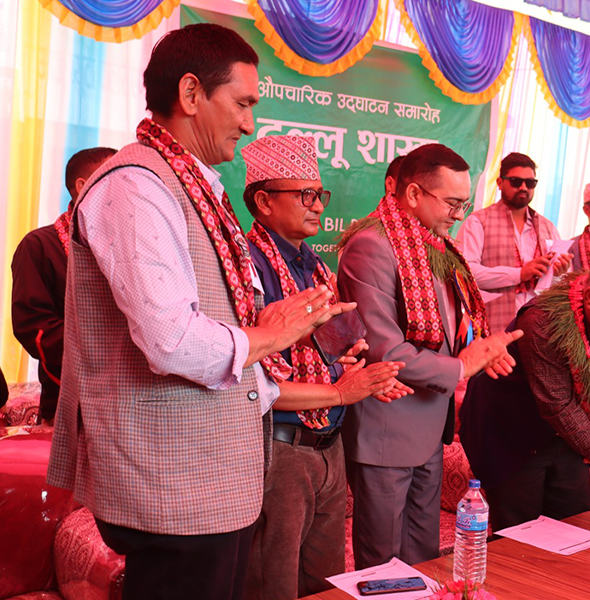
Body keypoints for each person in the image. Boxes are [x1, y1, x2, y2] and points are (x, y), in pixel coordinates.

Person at [46, 24, 353, 600]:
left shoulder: (189, 183)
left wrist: (290, 342)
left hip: (210, 477)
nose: (249, 123)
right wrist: (268, 334)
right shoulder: (135, 185)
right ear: (191, 94)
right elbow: (171, 340)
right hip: (172, 483)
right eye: (242, 103)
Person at [240, 135, 413, 599]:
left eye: (320, 194)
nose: (317, 206)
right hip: (279, 450)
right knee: (273, 585)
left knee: (326, 584)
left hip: (329, 445)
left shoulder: (315, 266)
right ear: (264, 201)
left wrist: (367, 379)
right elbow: (253, 381)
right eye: (305, 195)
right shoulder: (245, 269)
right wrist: (341, 392)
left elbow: (341, 353)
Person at [338, 143, 522, 569]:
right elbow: (385, 350)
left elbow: (449, 326)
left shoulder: (433, 245)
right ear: (413, 194)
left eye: (465, 204)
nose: (459, 215)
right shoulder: (372, 246)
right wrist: (463, 365)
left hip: (429, 425)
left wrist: (478, 348)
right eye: (453, 203)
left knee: (425, 559)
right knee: (383, 567)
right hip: (387, 430)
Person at [459, 235, 590, 530]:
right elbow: (559, 408)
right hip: (509, 434)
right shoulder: (542, 322)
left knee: (575, 526)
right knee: (521, 537)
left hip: (565, 436)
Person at [11, 146, 116, 425]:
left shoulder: (131, 244)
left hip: (135, 403)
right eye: (116, 178)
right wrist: (112, 349)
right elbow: (33, 327)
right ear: (82, 187)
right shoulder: (39, 246)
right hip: (71, 404)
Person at [456, 152, 572, 332]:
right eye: (516, 182)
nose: (523, 187)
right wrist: (519, 274)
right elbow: (466, 273)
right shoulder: (478, 222)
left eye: (530, 183)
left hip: (537, 328)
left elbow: (558, 288)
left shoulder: (548, 227)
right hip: (492, 327)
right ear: (499, 183)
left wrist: (558, 274)